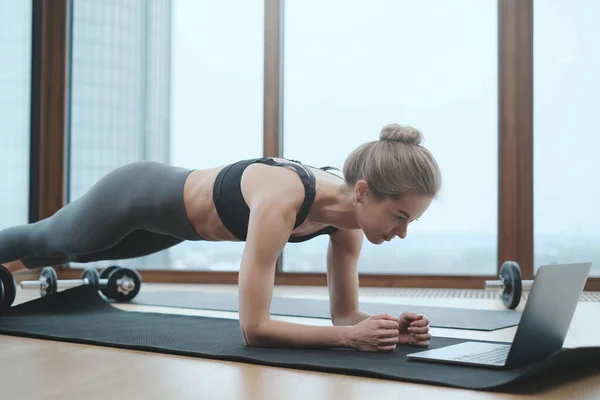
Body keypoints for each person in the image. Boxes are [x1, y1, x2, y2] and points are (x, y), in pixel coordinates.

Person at [0, 123, 442, 353]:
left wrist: (383, 330)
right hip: (133, 197)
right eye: (399, 217)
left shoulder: (348, 225)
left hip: (173, 230)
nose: (401, 233)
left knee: (52, 255)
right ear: (363, 191)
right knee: (47, 240)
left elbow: (344, 316)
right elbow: (254, 329)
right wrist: (349, 340)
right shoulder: (284, 196)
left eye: (410, 223)